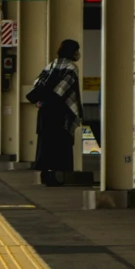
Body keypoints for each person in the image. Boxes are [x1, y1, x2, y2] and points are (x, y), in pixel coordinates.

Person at [24, 39, 84, 185]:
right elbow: (62, 90)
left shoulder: (51, 65)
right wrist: (51, 101)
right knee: (61, 143)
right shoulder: (71, 68)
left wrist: (41, 101)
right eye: (77, 50)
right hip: (60, 111)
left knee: (45, 142)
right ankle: (58, 175)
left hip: (45, 111)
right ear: (72, 52)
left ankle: (45, 174)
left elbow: (37, 83)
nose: (78, 53)